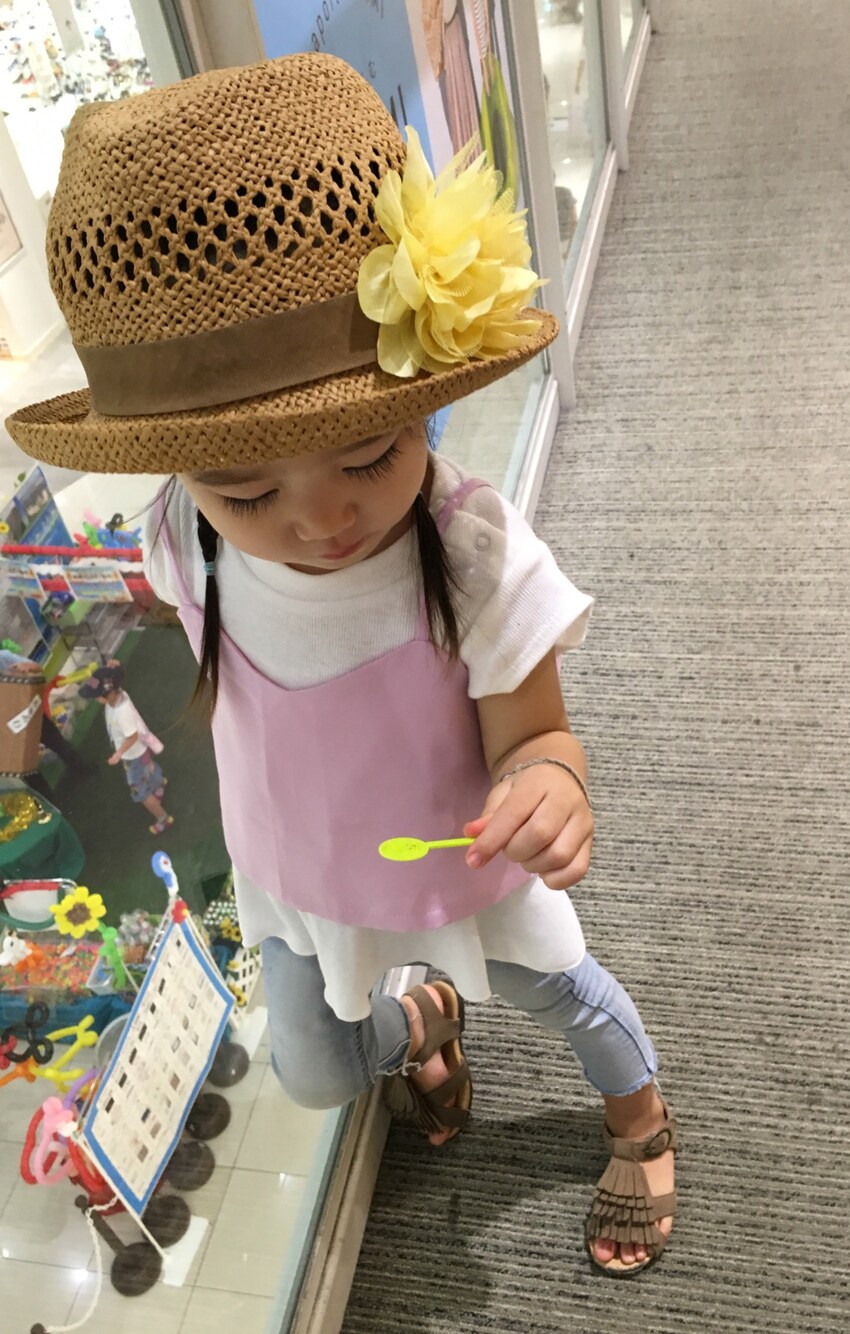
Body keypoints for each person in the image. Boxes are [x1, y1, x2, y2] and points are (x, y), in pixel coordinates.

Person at [4, 53, 676, 1275]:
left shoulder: (465, 551)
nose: (319, 520)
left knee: (565, 990)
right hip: (297, 873)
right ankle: (422, 1018)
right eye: (245, 486)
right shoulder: (181, 538)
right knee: (313, 1069)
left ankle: (640, 1115)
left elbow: (539, 735)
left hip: (461, 865)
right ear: (177, 471)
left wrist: (551, 785)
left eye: (369, 455)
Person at [78, 663, 173, 836]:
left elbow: (132, 736)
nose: (96, 700)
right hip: (141, 752)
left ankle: (163, 819)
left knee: (140, 792)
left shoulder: (122, 713)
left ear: (110, 694)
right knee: (148, 768)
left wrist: (118, 753)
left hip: (133, 756)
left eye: (97, 696)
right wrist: (114, 668)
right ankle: (158, 784)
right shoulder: (120, 695)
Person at [0, 647, 95, 802]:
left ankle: (81, 770)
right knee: (30, 772)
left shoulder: (3, 658)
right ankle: (52, 805)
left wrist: (27, 667)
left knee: (59, 744)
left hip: (32, 715)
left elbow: (37, 668)